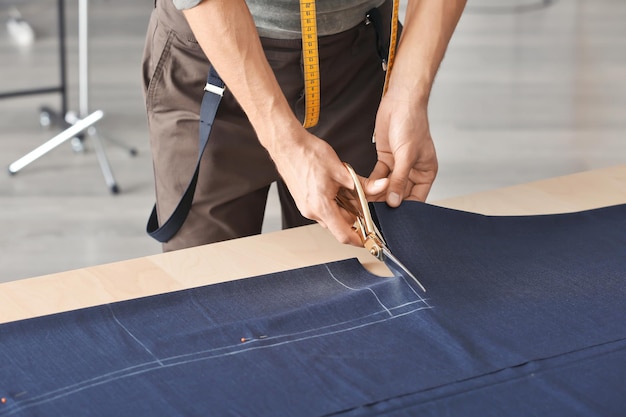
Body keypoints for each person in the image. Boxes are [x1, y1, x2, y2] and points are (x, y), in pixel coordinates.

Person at [142, 0, 466, 252]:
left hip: (359, 59)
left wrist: (410, 92)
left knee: (352, 293)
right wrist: (285, 143)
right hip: (212, 54)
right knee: (209, 300)